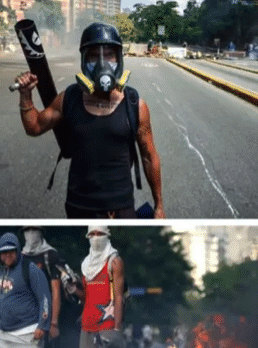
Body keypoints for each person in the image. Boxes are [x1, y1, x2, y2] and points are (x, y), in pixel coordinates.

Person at [14, 23, 165, 219]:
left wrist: (159, 206)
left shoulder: (135, 104)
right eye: (94, 55)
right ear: (84, 60)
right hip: (79, 206)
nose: (103, 63)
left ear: (119, 59)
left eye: (109, 55)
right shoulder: (68, 98)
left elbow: (149, 157)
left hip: (122, 207)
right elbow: (34, 127)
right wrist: (25, 95)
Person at [20, 226, 92, 348]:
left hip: (66, 323)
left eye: (33, 230)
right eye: (26, 231)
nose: (30, 235)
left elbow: (57, 292)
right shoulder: (23, 258)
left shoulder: (51, 256)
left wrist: (54, 322)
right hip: (43, 322)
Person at [65, 226, 126, 348]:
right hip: (87, 326)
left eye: (100, 234)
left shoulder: (114, 261)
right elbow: (88, 297)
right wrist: (74, 289)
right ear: (88, 237)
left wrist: (117, 328)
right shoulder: (86, 264)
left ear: (107, 236)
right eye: (93, 234)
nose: (96, 238)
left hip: (107, 325)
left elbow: (118, 296)